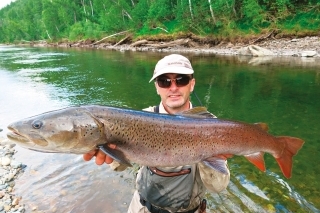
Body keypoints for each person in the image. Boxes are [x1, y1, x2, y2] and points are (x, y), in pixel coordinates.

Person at [83, 54, 230, 213]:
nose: (173, 88)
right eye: (164, 81)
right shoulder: (138, 119)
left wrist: (207, 153)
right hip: (143, 208)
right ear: (157, 87)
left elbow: (218, 187)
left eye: (181, 80)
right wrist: (108, 153)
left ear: (192, 84)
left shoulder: (212, 126)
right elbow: (119, 167)